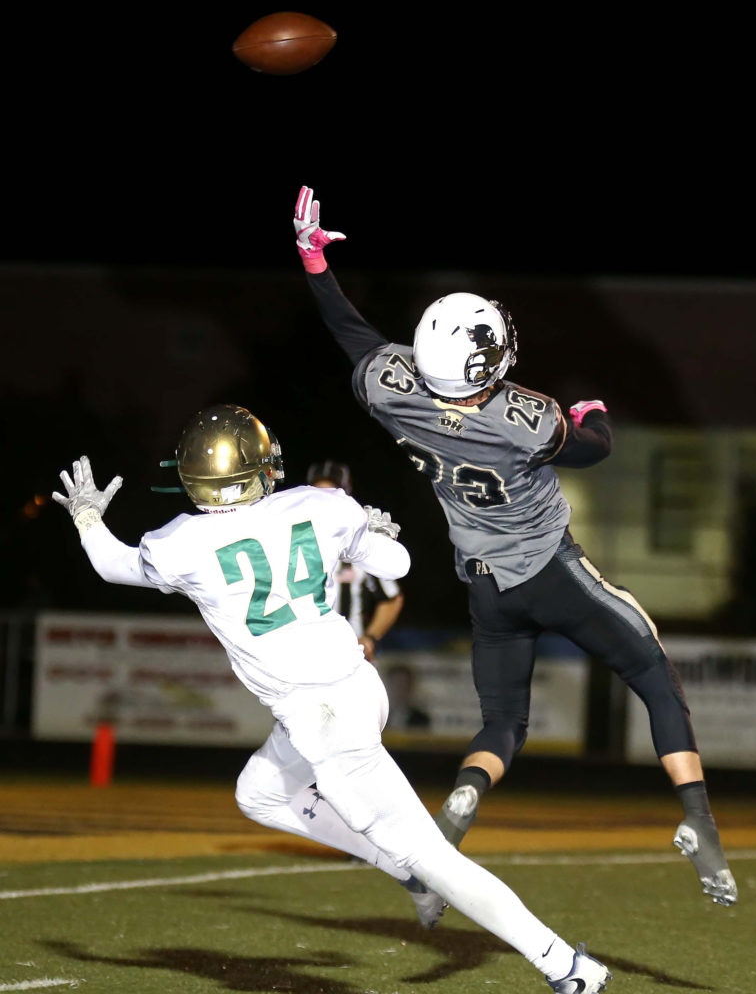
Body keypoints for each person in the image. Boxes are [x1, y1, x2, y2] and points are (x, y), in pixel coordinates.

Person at [52, 404, 611, 994]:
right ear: (262, 469)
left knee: (435, 857)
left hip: (320, 720)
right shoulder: (321, 506)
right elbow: (399, 563)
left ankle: (565, 966)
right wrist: (365, 534)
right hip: (354, 690)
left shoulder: (182, 541)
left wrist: (88, 517)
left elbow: (113, 565)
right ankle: (400, 868)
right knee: (260, 793)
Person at [292, 184, 738, 915]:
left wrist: (313, 260)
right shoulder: (520, 419)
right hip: (549, 569)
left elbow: (351, 332)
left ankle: (457, 810)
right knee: (653, 673)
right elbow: (590, 449)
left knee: (502, 724)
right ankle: (697, 818)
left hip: (483, 584)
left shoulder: (387, 389)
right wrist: (592, 413)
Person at [306, 459, 404, 662]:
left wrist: (370, 638)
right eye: (318, 493)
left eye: (332, 493)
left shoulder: (358, 542)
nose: (325, 500)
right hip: (303, 655)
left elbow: (392, 597)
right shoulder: (291, 540)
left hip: (349, 656)